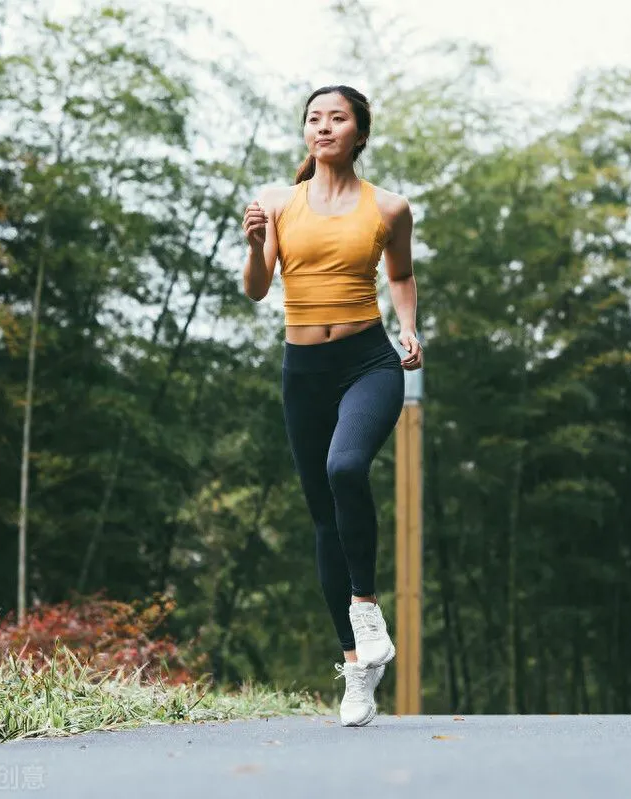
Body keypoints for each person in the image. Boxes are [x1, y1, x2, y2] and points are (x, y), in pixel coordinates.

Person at [240, 84, 422, 727]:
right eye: (314, 118)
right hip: (304, 372)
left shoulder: (390, 208)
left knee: (346, 468)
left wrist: (409, 326)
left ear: (359, 133)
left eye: (336, 118)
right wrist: (254, 241)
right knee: (323, 517)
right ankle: (357, 668)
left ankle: (366, 608)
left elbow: (399, 274)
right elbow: (259, 289)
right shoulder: (275, 201)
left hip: (368, 362)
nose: (323, 127)